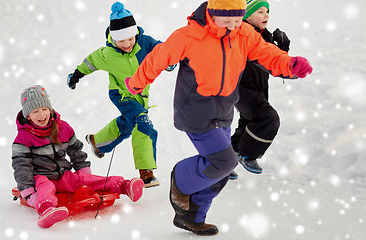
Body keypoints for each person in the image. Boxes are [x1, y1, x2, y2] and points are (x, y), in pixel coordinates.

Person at [125, 0, 312, 236]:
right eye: (227, 21)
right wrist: (137, 83)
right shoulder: (190, 35)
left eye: (237, 20)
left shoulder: (244, 34)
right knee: (224, 162)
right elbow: (158, 58)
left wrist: (290, 65)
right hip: (194, 109)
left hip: (224, 109)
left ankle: (191, 216)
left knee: (222, 168)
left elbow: (268, 54)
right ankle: (181, 179)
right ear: (213, 13)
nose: (233, 26)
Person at [67, 2, 175, 188]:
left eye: (130, 39)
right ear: (113, 38)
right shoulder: (107, 54)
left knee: (129, 124)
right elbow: (90, 62)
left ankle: (98, 142)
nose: (126, 44)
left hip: (141, 95)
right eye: (121, 40)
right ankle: (146, 172)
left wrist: (169, 61)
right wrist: (76, 75)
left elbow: (162, 50)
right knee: (142, 123)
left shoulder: (145, 42)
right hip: (121, 94)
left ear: (135, 33)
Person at [12, 85, 144, 228]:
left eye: (44, 109)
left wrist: (84, 173)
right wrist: (29, 192)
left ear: (49, 109)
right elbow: (21, 166)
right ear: (27, 115)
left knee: (83, 179)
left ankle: (124, 186)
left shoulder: (63, 128)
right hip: (39, 177)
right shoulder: (23, 138)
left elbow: (76, 152)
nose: (41, 114)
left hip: (62, 175)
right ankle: (47, 209)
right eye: (35, 111)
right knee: (45, 187)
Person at [230, 0, 291, 179]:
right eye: (260, 12)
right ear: (246, 16)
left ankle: (223, 163)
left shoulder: (268, 37)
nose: (266, 15)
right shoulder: (240, 35)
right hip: (240, 88)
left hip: (260, 88)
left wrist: (282, 48)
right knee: (268, 118)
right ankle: (248, 153)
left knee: (249, 123)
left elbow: (276, 64)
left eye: (267, 11)